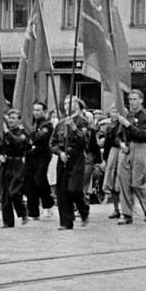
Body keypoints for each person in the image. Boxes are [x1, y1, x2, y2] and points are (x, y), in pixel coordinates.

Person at [115, 90, 146, 225]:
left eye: (135, 99)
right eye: (130, 99)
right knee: (124, 182)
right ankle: (126, 213)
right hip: (126, 149)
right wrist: (121, 144)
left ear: (141, 100)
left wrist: (127, 124)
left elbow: (144, 135)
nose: (132, 102)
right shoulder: (127, 115)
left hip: (139, 147)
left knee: (137, 182)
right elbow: (119, 134)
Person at [51, 96, 90, 230]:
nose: (67, 105)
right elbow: (53, 142)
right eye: (65, 103)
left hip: (76, 156)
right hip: (63, 157)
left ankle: (83, 209)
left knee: (74, 188)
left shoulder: (83, 122)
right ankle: (66, 222)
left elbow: (84, 141)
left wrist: (74, 128)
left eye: (70, 102)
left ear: (77, 105)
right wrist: (59, 153)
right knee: (62, 191)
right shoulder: (60, 123)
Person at [0, 110, 29, 228]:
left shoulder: (23, 133)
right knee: (5, 194)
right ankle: (8, 222)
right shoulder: (4, 134)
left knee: (14, 192)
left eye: (14, 118)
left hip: (17, 164)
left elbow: (17, 143)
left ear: (19, 120)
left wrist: (6, 132)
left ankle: (23, 211)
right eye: (9, 118)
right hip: (6, 164)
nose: (10, 120)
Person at [24, 102, 55, 221]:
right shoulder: (33, 123)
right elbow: (28, 139)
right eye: (34, 110)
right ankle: (33, 212)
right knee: (30, 182)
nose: (36, 112)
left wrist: (30, 136)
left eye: (38, 110)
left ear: (44, 112)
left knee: (39, 180)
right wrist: (29, 138)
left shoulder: (47, 124)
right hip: (32, 154)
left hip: (43, 154)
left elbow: (38, 138)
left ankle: (48, 202)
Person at [101, 109, 123, 219]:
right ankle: (116, 209)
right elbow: (107, 144)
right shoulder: (110, 127)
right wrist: (105, 160)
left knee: (123, 181)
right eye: (113, 112)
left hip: (124, 152)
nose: (115, 114)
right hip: (113, 153)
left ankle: (127, 208)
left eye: (117, 111)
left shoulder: (126, 126)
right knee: (112, 181)